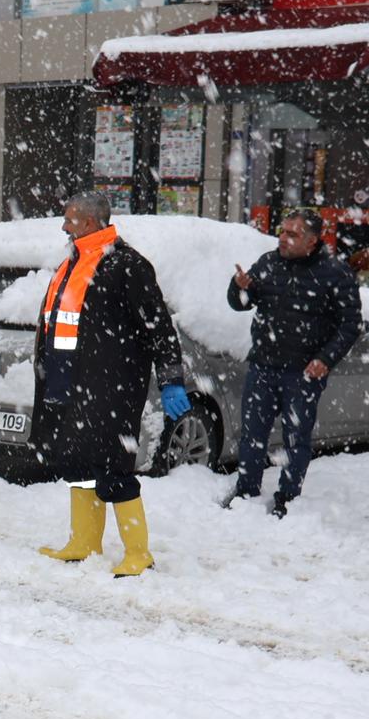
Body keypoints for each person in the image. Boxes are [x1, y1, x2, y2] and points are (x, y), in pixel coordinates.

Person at [34, 192, 190, 577]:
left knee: (114, 467)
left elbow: (159, 327)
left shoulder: (127, 265)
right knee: (78, 461)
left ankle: (139, 552)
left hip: (111, 386)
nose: (64, 226)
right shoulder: (73, 261)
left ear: (90, 223)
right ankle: (84, 542)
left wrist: (171, 379)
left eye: (70, 220)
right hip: (70, 382)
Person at [225, 210, 361, 518]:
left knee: (296, 438)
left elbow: (350, 324)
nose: (283, 238)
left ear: (312, 241)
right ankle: (246, 489)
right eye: (282, 231)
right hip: (263, 365)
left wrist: (325, 359)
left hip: (302, 372)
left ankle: (288, 498)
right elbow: (241, 303)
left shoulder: (335, 274)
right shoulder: (269, 263)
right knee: (252, 433)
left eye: (292, 234)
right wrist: (240, 287)